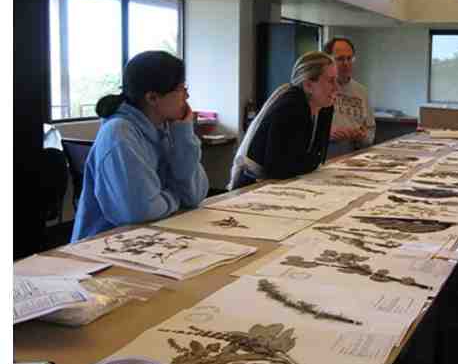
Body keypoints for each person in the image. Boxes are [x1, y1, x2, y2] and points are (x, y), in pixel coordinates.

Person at [71, 51, 209, 241]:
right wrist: (177, 196)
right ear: (152, 98)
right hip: (105, 247)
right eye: (180, 88)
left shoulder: (169, 128)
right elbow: (139, 212)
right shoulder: (120, 134)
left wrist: (184, 135)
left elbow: (195, 196)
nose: (187, 95)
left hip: (153, 236)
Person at [228, 51, 337, 190]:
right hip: (254, 184)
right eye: (330, 81)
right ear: (308, 85)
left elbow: (317, 158)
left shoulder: (325, 106)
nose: (336, 87)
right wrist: (308, 162)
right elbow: (278, 168)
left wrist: (308, 162)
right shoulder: (291, 106)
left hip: (285, 182)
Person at [323, 37, 376, 158]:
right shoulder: (319, 89)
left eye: (349, 58)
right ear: (327, 60)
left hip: (354, 158)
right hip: (325, 157)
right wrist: (327, 134)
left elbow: (370, 133)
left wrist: (362, 137)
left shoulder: (361, 91)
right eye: (340, 59)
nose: (346, 63)